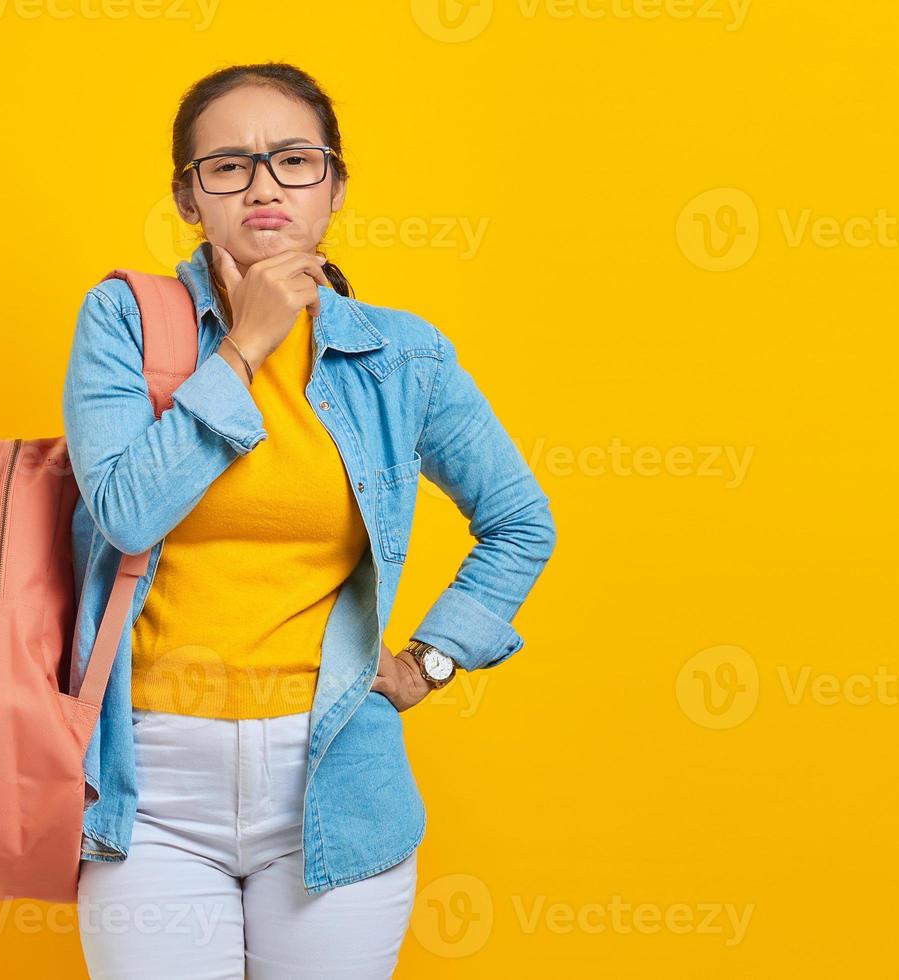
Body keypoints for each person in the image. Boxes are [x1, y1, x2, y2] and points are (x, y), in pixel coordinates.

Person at [63, 61, 557, 978]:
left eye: (294, 160)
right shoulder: (125, 322)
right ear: (187, 197)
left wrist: (432, 659)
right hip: (152, 786)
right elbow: (128, 513)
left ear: (333, 187)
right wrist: (244, 346)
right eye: (228, 166)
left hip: (334, 780)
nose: (262, 187)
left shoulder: (401, 356)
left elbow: (520, 520)